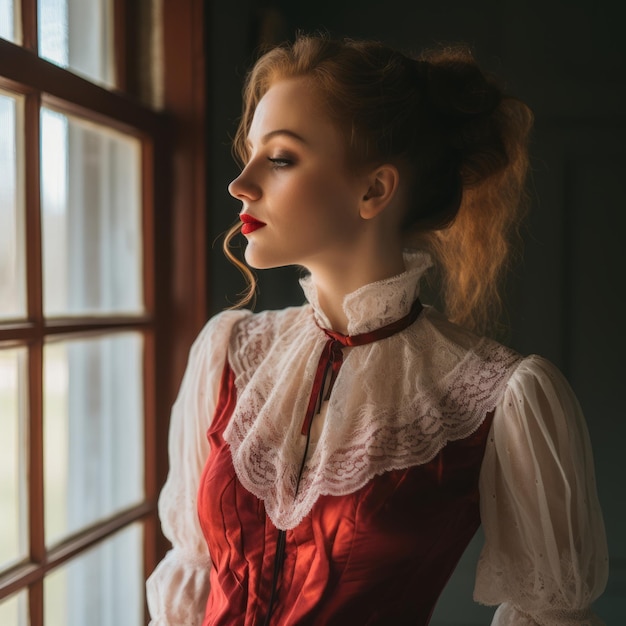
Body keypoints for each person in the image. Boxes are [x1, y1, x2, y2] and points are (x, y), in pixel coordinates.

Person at [146, 33, 608, 625]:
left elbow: (551, 614)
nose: (242, 183)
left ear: (374, 189)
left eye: (280, 158)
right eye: (250, 153)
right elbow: (192, 568)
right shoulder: (231, 351)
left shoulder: (502, 398)